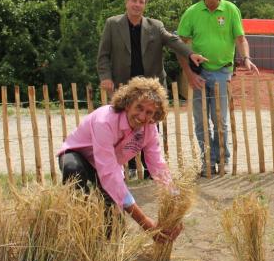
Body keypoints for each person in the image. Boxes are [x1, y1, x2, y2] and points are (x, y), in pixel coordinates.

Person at [97, 0, 206, 179]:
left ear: (145, 5)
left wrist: (191, 54)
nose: (137, 5)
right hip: (126, 87)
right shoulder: (112, 24)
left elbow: (173, 41)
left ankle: (149, 168)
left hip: (151, 87)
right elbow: (103, 55)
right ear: (127, 2)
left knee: (150, 126)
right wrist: (105, 77)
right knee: (125, 125)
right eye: (134, 1)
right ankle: (129, 166)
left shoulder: (155, 26)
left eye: (141, 1)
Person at [57, 77, 182, 242]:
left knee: (115, 229)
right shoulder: (105, 120)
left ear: (155, 114)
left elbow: (158, 166)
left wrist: (174, 203)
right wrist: (144, 221)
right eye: (139, 107)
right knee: (74, 172)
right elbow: (108, 173)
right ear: (128, 103)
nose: (142, 116)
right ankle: (82, 225)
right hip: (78, 155)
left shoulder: (149, 129)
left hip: (107, 164)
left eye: (149, 112)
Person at [177, 0, 259, 177]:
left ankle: (222, 160)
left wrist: (247, 58)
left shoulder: (231, 10)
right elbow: (181, 46)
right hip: (198, 73)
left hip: (222, 72)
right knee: (201, 121)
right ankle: (207, 162)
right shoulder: (192, 12)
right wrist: (189, 74)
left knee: (219, 120)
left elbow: (240, 39)